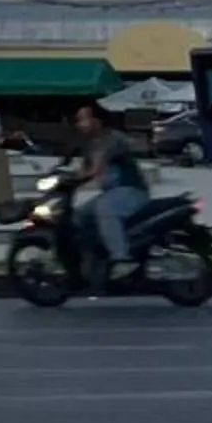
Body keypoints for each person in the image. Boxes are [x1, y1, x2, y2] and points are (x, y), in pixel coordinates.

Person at [70, 100, 148, 290]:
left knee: (104, 209)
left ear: (98, 120)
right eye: (79, 120)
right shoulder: (89, 144)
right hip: (112, 193)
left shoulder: (112, 139)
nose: (80, 124)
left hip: (131, 191)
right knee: (79, 216)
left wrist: (78, 178)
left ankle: (121, 259)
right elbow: (83, 170)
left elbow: (96, 167)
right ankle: (95, 259)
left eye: (84, 119)